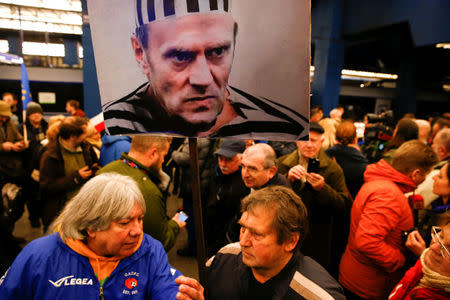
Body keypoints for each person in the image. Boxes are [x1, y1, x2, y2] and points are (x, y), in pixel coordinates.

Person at [102, 0, 308, 139]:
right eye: (181, 56)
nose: (203, 79)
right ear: (140, 52)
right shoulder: (115, 124)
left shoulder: (287, 129)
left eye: (217, 51)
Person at [0, 173, 204, 300]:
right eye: (124, 223)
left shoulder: (150, 251)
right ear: (91, 226)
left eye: (140, 219)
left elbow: (168, 291)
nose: (137, 231)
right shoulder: (38, 256)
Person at [205, 185, 346, 300]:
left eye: (256, 234)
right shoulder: (224, 258)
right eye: (243, 228)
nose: (243, 242)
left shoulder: (317, 295)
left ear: (290, 241)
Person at [339, 140, 439, 300]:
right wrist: (400, 260)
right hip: (367, 284)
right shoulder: (388, 194)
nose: (426, 180)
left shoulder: (384, 184)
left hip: (360, 275)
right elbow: (367, 241)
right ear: (415, 174)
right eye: (426, 175)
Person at [277, 122, 352, 277]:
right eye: (305, 140)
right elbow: (270, 196)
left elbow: (344, 206)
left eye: (314, 140)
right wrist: (287, 180)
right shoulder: (283, 163)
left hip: (318, 237)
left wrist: (323, 189)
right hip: (286, 231)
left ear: (322, 142)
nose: (309, 145)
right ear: (297, 141)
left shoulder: (333, 169)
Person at [98, 136, 185, 252]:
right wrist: (176, 225)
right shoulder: (148, 191)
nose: (163, 161)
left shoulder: (104, 171)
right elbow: (160, 242)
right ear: (153, 153)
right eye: (164, 155)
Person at [39, 116, 99, 230]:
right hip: (62, 213)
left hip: (85, 210)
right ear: (72, 136)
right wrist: (75, 178)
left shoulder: (86, 147)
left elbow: (94, 165)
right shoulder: (50, 155)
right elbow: (46, 187)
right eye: (84, 133)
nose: (87, 135)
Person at [389, 212, 450, 300]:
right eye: (441, 236)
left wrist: (399, 260)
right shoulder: (425, 263)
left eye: (449, 249)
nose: (432, 247)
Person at [171, 138, 216, 256]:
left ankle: (192, 246)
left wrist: (173, 152)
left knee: (188, 215)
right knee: (196, 215)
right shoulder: (208, 138)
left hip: (192, 185)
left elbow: (185, 158)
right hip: (201, 184)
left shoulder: (197, 139)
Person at [205, 139, 249, 255]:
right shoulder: (215, 174)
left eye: (229, 160)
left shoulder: (244, 185)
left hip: (226, 241)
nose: (223, 164)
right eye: (220, 159)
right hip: (210, 234)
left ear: (241, 159)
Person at [0, 100, 29, 227]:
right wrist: (2, 146)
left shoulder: (10, 123)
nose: (4, 118)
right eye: (2, 116)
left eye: (6, 116)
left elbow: (19, 138)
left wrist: (20, 145)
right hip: (1, 169)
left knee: (14, 203)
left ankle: (9, 232)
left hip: (12, 169)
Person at [21, 102, 48, 228]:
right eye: (33, 113)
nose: (37, 115)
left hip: (44, 165)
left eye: (39, 113)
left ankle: (43, 217)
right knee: (31, 195)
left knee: (43, 194)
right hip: (29, 166)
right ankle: (33, 218)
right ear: (28, 116)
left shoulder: (47, 127)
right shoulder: (22, 129)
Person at [326, 120, 369, 199]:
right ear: (355, 140)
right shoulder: (364, 165)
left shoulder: (324, 156)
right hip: (350, 206)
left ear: (335, 137)